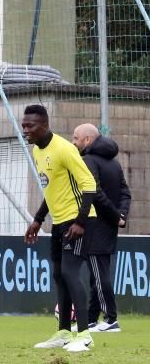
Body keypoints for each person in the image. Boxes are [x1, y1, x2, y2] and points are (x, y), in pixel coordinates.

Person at [24, 105, 97, 352]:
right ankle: (64, 332)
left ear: (44, 125)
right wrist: (37, 219)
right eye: (23, 125)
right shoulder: (37, 151)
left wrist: (80, 221)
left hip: (78, 220)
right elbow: (52, 189)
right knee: (58, 274)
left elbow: (88, 184)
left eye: (30, 125)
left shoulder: (65, 149)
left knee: (69, 272)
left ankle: (85, 334)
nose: (26, 130)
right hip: (58, 221)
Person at [72, 123, 130, 333]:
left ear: (87, 139)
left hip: (96, 226)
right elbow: (125, 192)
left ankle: (111, 318)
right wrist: (121, 215)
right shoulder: (114, 163)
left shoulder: (87, 161)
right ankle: (90, 319)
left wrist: (116, 217)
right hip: (108, 226)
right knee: (97, 274)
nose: (73, 142)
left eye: (76, 137)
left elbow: (94, 192)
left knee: (99, 274)